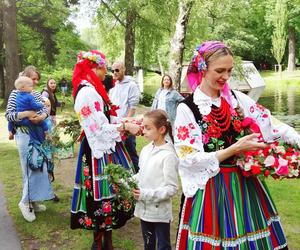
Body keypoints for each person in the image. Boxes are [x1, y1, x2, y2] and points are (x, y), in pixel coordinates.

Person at [174, 41, 299, 249]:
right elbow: (188, 158)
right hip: (212, 189)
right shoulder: (187, 109)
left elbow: (270, 125)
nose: (226, 77)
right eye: (220, 71)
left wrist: (296, 139)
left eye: (230, 71)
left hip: (244, 185)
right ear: (203, 69)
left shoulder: (236, 99)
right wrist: (235, 149)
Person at [70, 50, 141, 250]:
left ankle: (106, 237)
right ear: (93, 68)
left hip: (103, 147)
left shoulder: (93, 89)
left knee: (109, 191)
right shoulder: (87, 92)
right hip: (97, 149)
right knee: (99, 192)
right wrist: (125, 127)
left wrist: (128, 121)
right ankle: (99, 241)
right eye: (102, 67)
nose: (105, 71)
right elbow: (97, 129)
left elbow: (104, 120)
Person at [5, 65, 54, 223]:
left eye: (36, 80)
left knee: (39, 166)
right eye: (33, 79)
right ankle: (25, 203)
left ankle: (33, 200)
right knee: (29, 168)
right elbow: (9, 115)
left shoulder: (34, 93)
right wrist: (27, 114)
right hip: (24, 134)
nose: (35, 82)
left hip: (38, 133)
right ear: (24, 78)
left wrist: (42, 117)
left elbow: (46, 109)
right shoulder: (15, 93)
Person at [133, 109, 179, 250]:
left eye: (148, 128)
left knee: (163, 246)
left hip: (159, 213)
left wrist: (145, 194)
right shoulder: (146, 150)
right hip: (144, 209)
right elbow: (142, 174)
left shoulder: (168, 156)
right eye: (143, 127)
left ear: (162, 129)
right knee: (148, 244)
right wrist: (125, 181)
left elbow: (171, 188)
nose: (144, 131)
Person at [109, 61, 140, 172]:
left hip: (127, 126)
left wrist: (127, 125)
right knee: (118, 153)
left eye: (117, 70)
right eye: (112, 70)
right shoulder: (114, 86)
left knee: (131, 152)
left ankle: (139, 176)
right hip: (115, 126)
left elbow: (133, 106)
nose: (114, 72)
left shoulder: (131, 85)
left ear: (123, 69)